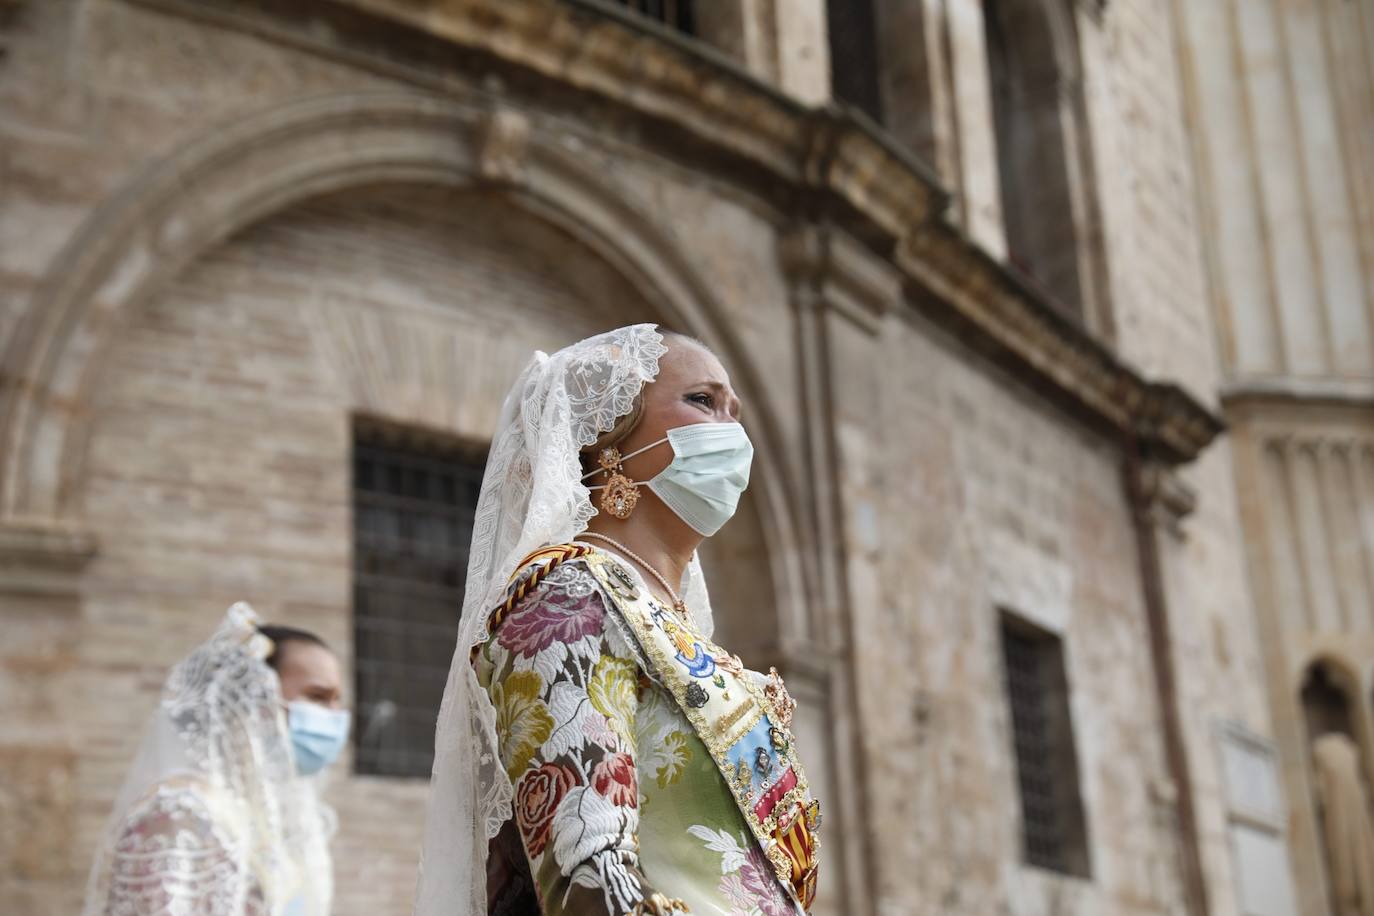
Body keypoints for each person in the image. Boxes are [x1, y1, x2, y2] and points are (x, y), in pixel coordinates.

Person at [416, 325, 821, 916]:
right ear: (609, 439)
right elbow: (592, 882)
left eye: (735, 412)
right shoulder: (567, 596)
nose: (732, 433)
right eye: (703, 401)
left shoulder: (667, 624)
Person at [83, 603, 349, 916]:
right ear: (253, 696)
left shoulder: (268, 819)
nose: (335, 716)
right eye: (317, 697)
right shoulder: (180, 814)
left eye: (336, 701)